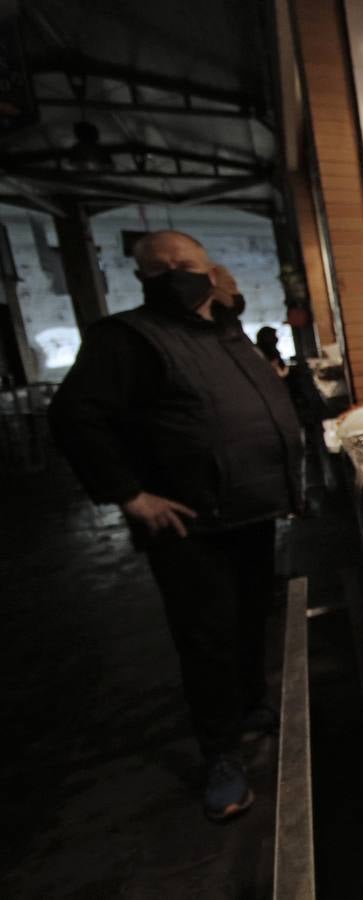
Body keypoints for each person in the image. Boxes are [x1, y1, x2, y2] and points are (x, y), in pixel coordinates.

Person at [50, 230, 303, 822]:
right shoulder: (126, 339)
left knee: (247, 618)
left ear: (209, 269)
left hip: (248, 511)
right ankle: (220, 756)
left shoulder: (221, 328)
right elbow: (75, 416)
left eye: (183, 264)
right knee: (206, 638)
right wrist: (129, 496)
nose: (173, 275)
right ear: (141, 279)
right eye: (156, 269)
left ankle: (250, 705)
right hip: (191, 525)